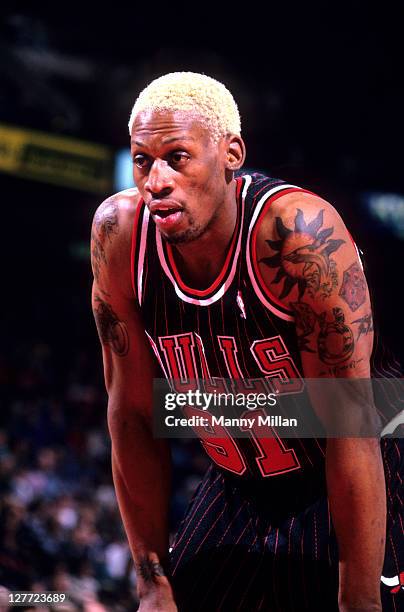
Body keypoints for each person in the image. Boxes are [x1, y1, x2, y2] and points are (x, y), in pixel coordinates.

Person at [91, 72, 403, 611]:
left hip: (367, 454)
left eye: (178, 156)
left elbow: (350, 426)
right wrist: (150, 579)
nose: (156, 180)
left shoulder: (298, 235)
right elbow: (133, 416)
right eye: (143, 160)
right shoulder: (120, 236)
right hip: (244, 472)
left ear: (231, 153)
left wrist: (360, 598)